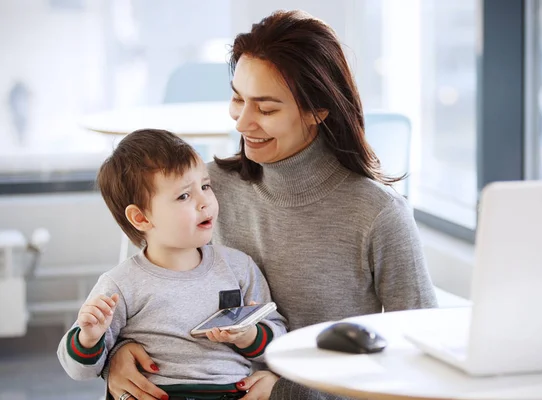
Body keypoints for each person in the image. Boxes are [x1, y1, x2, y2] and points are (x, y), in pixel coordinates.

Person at [106, 9, 438, 400]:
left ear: (317, 110)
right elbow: (138, 290)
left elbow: (418, 355)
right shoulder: (203, 191)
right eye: (237, 99)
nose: (242, 123)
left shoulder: (377, 214)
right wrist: (117, 352)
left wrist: (293, 391)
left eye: (265, 109)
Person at [56, 129, 287, 400]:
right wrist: (89, 337)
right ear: (141, 218)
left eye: (205, 186)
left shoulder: (239, 267)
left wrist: (248, 335)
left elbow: (280, 340)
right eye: (184, 196)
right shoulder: (120, 284)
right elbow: (78, 370)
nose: (205, 202)